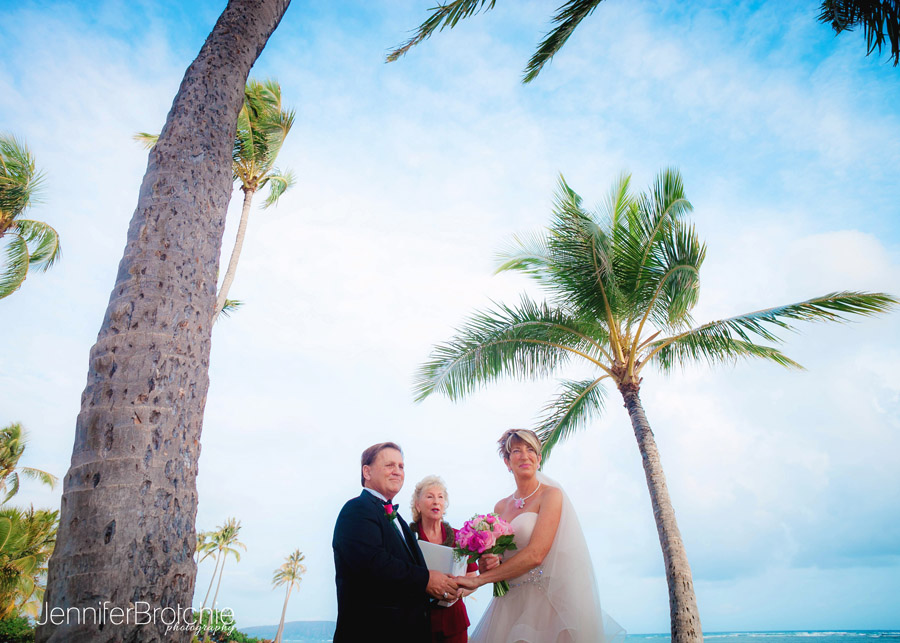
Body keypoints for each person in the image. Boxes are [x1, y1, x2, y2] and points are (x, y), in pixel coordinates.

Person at [455, 429, 624, 643]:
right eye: (516, 451)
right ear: (507, 462)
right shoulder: (500, 506)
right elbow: (497, 560)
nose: (525, 456)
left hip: (544, 604)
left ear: (539, 458)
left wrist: (480, 580)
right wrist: (488, 563)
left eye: (531, 450)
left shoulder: (551, 495)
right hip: (507, 604)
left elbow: (536, 554)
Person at [332, 442, 459, 643]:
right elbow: (373, 564)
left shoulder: (397, 519)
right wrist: (426, 579)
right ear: (367, 471)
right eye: (390, 465)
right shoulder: (356, 510)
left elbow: (407, 572)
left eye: (401, 466)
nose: (397, 471)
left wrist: (441, 589)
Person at [409, 475, 479, 643]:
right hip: (417, 623)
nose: (436, 501)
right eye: (430, 496)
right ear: (417, 505)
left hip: (454, 623)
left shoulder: (460, 537)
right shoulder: (408, 538)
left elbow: (473, 578)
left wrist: (459, 593)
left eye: (441, 497)